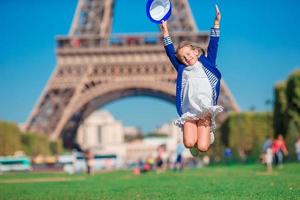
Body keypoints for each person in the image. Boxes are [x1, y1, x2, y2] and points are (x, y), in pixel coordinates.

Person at [160, 5, 223, 156]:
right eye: (183, 57)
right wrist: (165, 31)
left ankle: (208, 135)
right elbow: (170, 53)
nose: (187, 58)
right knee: (188, 143)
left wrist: (216, 23)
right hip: (189, 110)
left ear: (195, 52)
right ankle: (191, 133)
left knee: (202, 147)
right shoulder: (182, 69)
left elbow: (213, 45)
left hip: (204, 109)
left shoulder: (207, 63)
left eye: (188, 53)